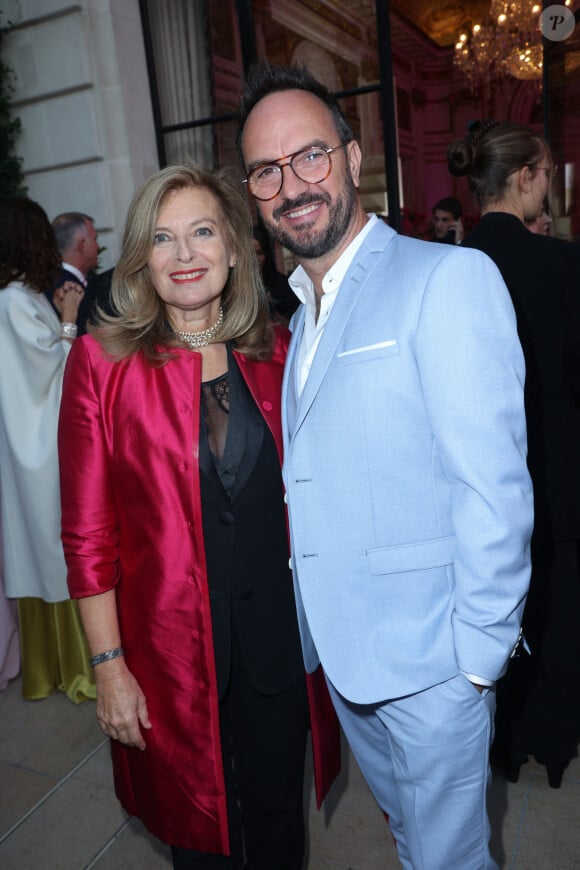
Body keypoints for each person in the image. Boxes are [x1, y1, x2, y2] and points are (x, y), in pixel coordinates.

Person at [237, 62, 533, 869]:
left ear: (354, 157)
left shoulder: (448, 278)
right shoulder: (300, 316)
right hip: (346, 658)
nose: (292, 185)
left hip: (434, 666)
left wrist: (473, 662)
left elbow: (495, 487)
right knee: (412, 845)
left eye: (310, 156)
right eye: (267, 170)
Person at [58, 164, 339, 869]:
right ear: (141, 261)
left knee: (278, 824)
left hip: (276, 644)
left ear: (236, 248)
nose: (184, 255)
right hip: (171, 661)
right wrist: (109, 667)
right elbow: (89, 538)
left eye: (202, 232)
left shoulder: (279, 352)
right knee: (201, 840)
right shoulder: (102, 365)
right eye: (163, 238)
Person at [449, 119, 580, 789]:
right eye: (546, 172)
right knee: (559, 616)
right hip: (558, 479)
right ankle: (554, 746)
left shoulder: (446, 268)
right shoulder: (563, 264)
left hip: (473, 483)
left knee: (491, 614)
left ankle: (501, 748)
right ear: (525, 176)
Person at [0, 197, 95, 703]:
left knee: (45, 552)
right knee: (53, 552)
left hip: (28, 446)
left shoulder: (16, 296)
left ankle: (52, 666)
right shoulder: (14, 300)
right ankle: (74, 668)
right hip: (36, 450)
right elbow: (52, 369)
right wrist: (69, 317)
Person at [49, 211, 100, 333]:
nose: (98, 246)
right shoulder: (66, 290)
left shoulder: (50, 281)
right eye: (94, 239)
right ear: (82, 245)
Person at [252, 224, 298, 323]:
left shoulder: (284, 285)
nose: (254, 259)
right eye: (250, 254)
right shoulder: (233, 288)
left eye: (259, 253)